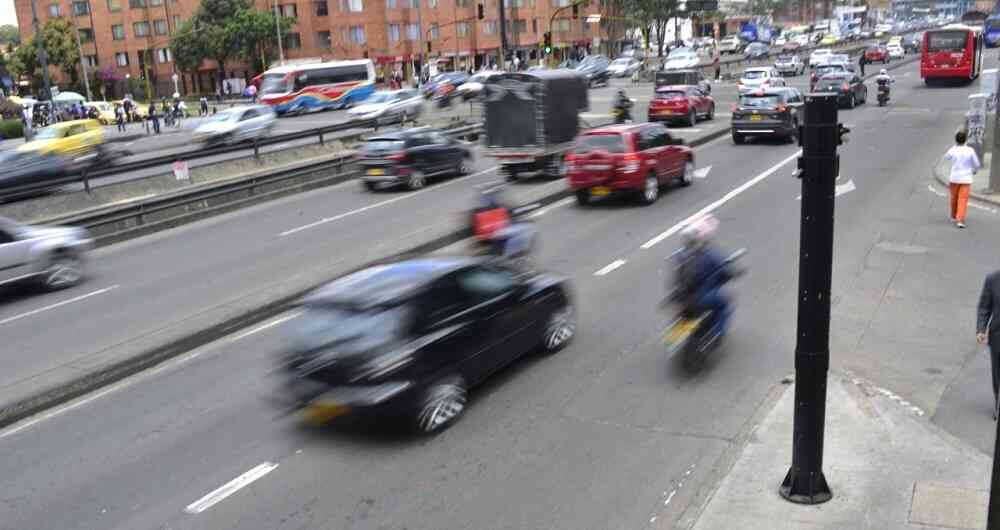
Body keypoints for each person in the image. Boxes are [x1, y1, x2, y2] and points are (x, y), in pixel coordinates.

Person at [674, 215, 734, 339]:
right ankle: (717, 333)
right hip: (702, 297)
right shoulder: (711, 254)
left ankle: (678, 335)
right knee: (724, 303)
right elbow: (725, 272)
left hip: (682, 297)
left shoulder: (680, 255)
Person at [942, 130, 980, 228]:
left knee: (954, 198)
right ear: (966, 140)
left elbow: (945, 157)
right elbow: (977, 163)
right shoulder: (970, 150)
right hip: (966, 178)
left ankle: (953, 215)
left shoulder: (953, 150)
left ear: (956, 140)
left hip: (954, 178)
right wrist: (974, 170)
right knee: (962, 199)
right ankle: (960, 220)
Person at [978, 270, 1000, 419]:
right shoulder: (992, 280)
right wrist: (981, 328)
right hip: (997, 335)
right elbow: (984, 307)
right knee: (997, 373)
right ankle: (998, 400)